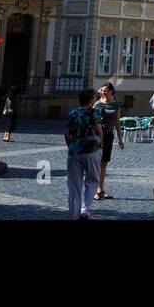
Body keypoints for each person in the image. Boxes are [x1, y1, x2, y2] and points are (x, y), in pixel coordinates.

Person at [64, 89, 104, 220]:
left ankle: (74, 214)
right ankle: (85, 210)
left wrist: (71, 146)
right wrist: (101, 145)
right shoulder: (94, 112)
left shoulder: (72, 113)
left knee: (74, 184)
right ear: (91, 100)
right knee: (92, 181)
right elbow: (99, 130)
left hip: (74, 151)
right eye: (94, 98)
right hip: (91, 150)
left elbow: (66, 133)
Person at [94, 82, 124, 200]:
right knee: (96, 163)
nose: (105, 92)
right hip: (97, 137)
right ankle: (96, 189)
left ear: (112, 91)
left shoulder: (116, 105)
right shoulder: (97, 104)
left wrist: (120, 138)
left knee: (104, 164)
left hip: (108, 136)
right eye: (103, 90)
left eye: (107, 90)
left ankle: (101, 189)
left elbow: (117, 121)